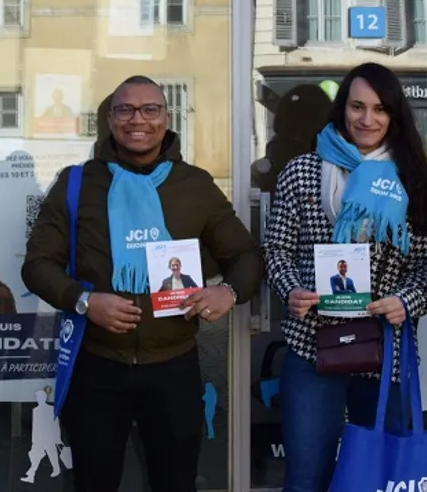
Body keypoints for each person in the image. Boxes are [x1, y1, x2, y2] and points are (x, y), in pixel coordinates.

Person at [22, 75, 264, 492]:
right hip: (96, 366)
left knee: (175, 483)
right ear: (111, 119)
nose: (139, 120)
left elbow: (245, 255)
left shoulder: (195, 186)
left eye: (150, 109)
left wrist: (229, 291)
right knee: (94, 483)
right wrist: (84, 300)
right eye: (126, 110)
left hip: (173, 366)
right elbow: (38, 264)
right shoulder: (77, 184)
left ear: (166, 118)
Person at [263, 62, 427, 492]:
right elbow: (276, 250)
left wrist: (405, 303)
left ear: (394, 116)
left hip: (386, 349)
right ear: (343, 109)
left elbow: (425, 268)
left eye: (380, 109)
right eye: (358, 106)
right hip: (312, 346)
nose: (367, 119)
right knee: (307, 477)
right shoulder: (303, 170)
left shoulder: (413, 179)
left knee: (378, 476)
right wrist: (292, 291)